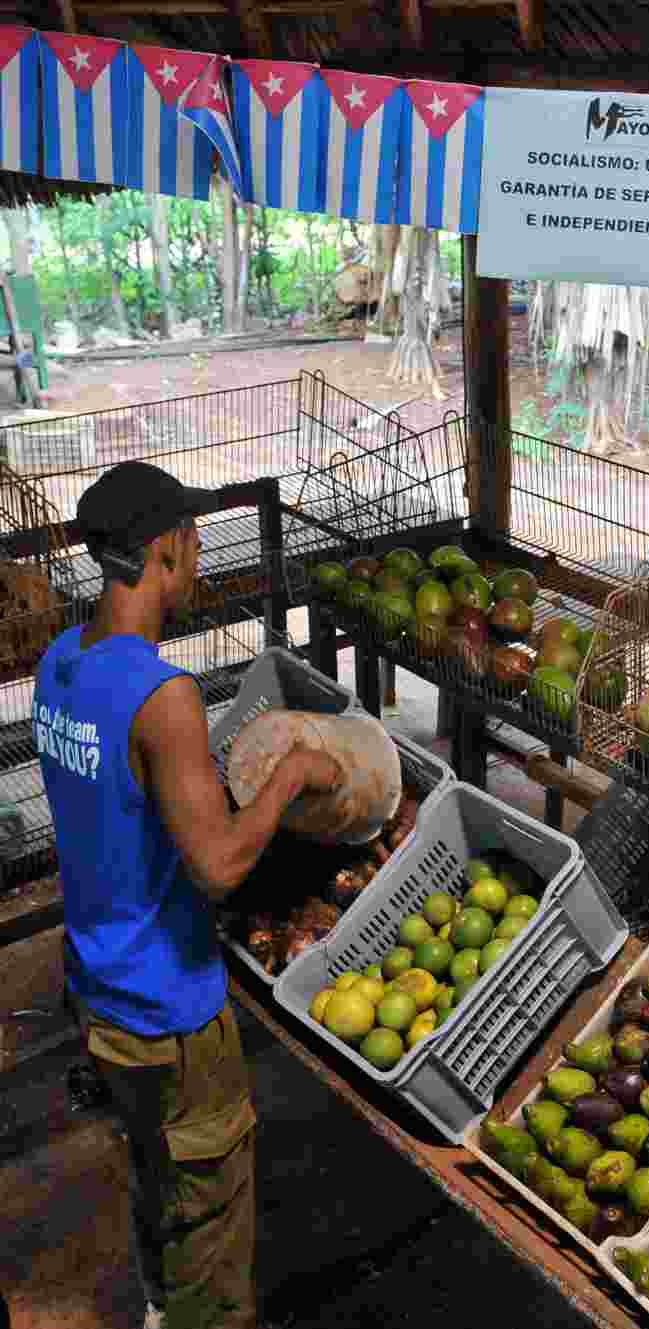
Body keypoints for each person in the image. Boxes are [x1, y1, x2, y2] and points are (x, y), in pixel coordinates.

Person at [34, 461, 341, 1329]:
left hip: (98, 991)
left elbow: (119, 806)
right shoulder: (163, 696)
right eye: (195, 540)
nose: (201, 555)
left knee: (156, 1173)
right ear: (167, 548)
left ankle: (160, 1307)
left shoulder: (63, 662)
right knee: (210, 1213)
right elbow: (215, 867)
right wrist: (290, 777)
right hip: (169, 1014)